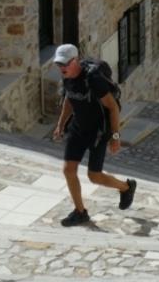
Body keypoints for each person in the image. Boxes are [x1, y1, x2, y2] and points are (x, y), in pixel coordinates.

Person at [52, 44, 136, 227]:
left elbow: (112, 107)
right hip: (78, 127)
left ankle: (126, 187)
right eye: (59, 64)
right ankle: (80, 212)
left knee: (94, 176)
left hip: (98, 131)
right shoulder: (67, 78)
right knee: (68, 170)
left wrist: (115, 136)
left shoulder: (93, 79)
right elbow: (69, 99)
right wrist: (61, 124)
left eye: (66, 64)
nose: (62, 68)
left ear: (76, 60)